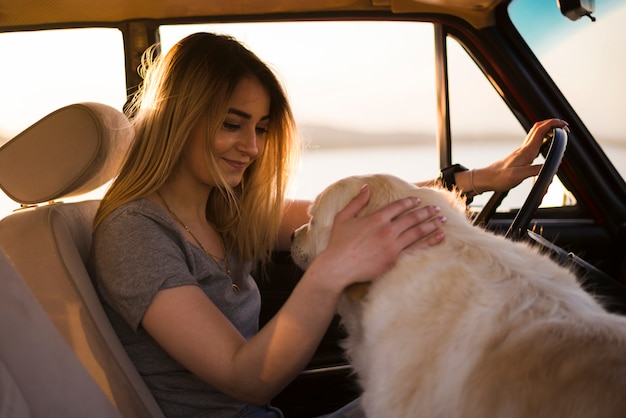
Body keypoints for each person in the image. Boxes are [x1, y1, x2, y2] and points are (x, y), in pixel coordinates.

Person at [88, 32, 569, 418]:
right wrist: (332, 268)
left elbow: (357, 208)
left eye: (260, 128)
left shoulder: (222, 208)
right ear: (179, 118)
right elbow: (244, 378)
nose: (253, 148)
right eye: (232, 124)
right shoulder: (133, 233)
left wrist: (482, 178)